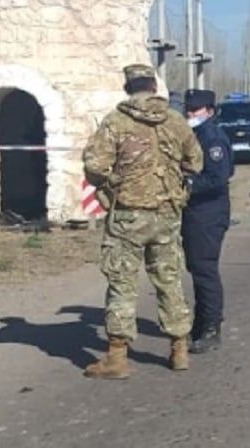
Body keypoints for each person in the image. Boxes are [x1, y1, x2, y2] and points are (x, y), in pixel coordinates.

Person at [81, 64, 205, 379]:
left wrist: (113, 179)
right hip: (166, 215)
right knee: (169, 280)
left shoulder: (116, 122)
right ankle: (179, 349)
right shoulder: (176, 122)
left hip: (127, 216)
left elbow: (94, 166)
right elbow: (196, 162)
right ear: (154, 87)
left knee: (122, 282)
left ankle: (117, 358)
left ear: (128, 88)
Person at [181, 88, 234, 353]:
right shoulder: (196, 135)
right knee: (197, 267)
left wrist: (187, 184)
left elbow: (218, 177)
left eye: (196, 111)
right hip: (196, 212)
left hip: (208, 212)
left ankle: (211, 327)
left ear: (209, 112)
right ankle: (202, 323)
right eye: (188, 111)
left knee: (204, 269)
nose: (191, 115)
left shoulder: (211, 138)